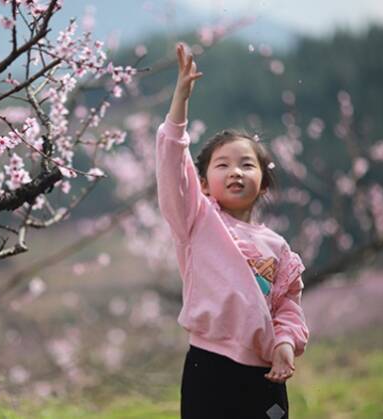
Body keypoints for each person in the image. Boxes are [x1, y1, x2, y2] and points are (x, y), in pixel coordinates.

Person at [156, 43, 310, 419]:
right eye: (222, 165)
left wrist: (286, 342)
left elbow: (287, 307)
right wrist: (180, 104)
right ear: (204, 184)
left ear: (264, 181)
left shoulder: (278, 248)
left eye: (247, 164)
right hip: (209, 364)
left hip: (266, 373)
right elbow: (173, 167)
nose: (236, 171)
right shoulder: (196, 222)